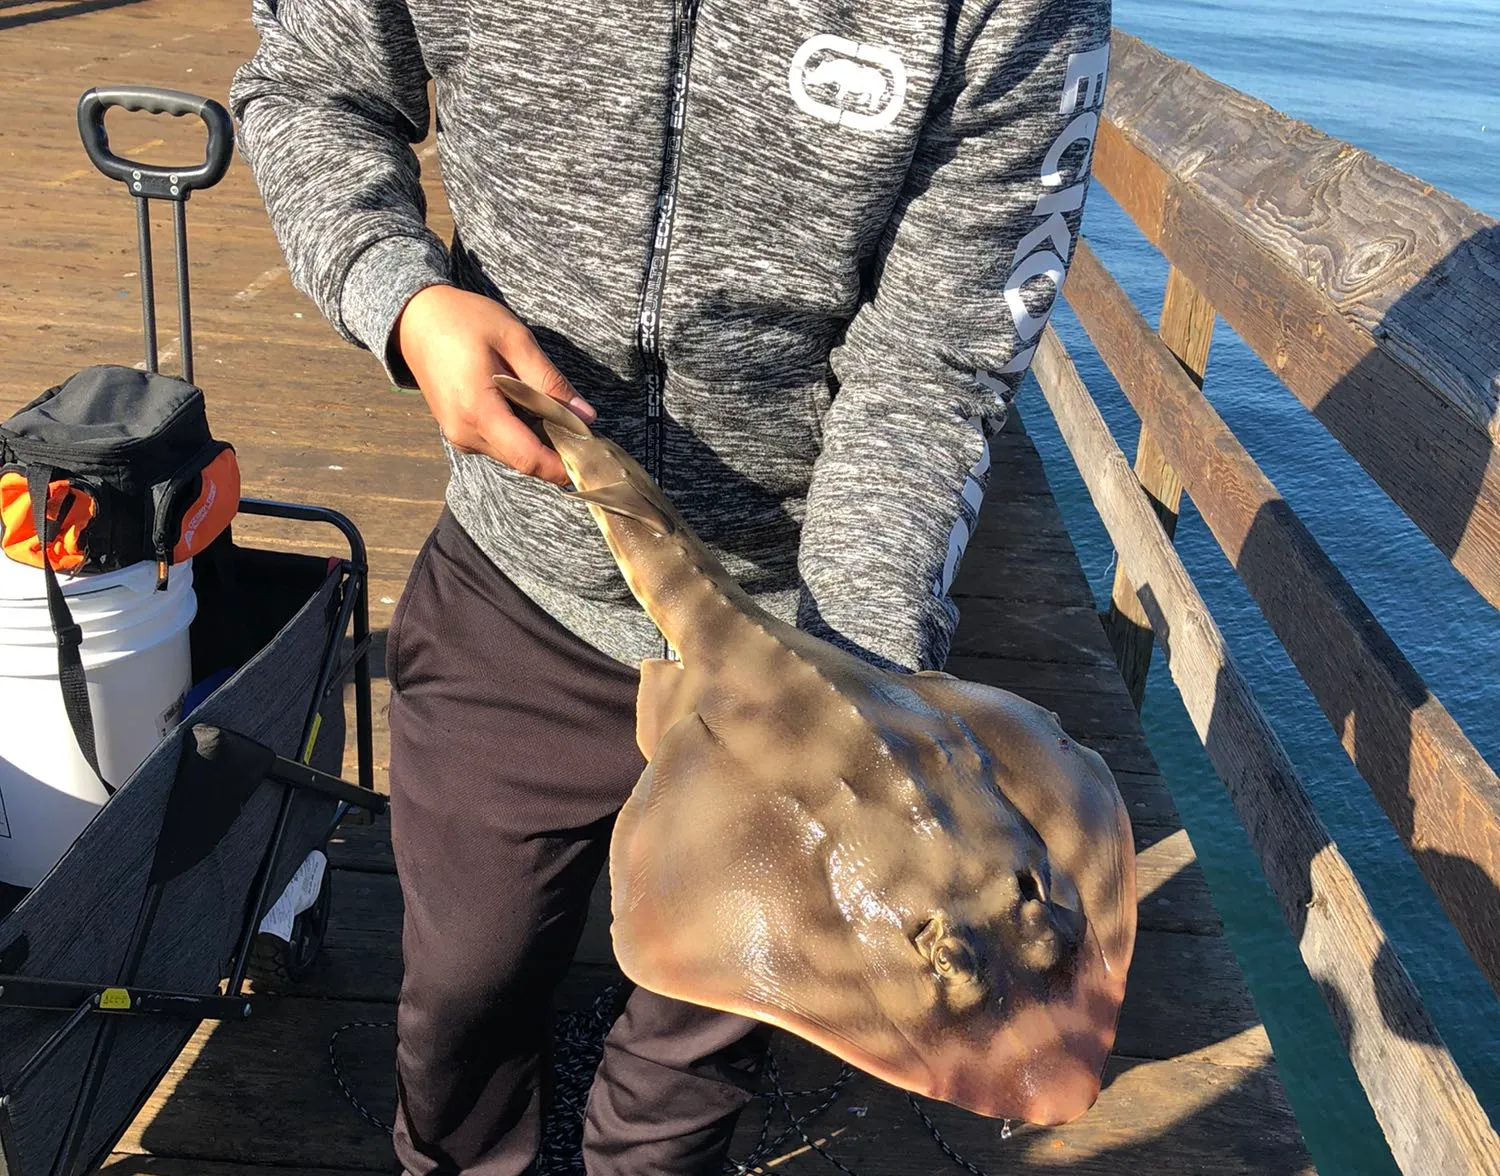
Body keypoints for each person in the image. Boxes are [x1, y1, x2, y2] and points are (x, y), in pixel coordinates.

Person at [228, 0, 1112, 1170]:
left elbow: (940, 351)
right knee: (463, 984)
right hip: (522, 576)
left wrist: (856, 693)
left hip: (818, 601)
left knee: (700, 1057)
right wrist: (402, 294)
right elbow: (308, 85)